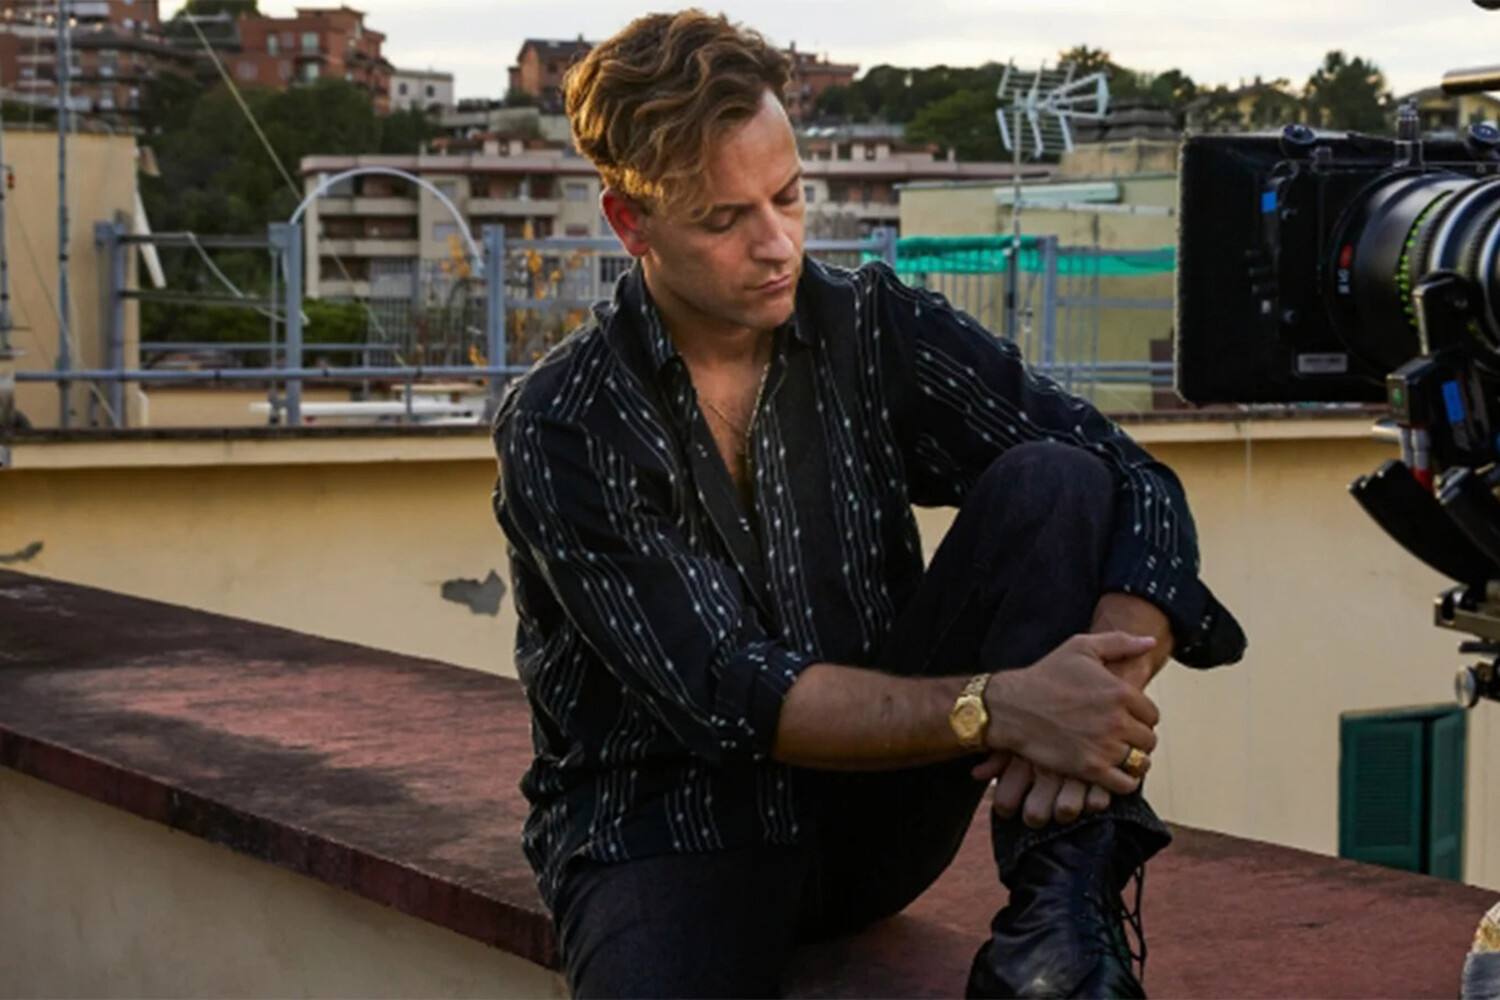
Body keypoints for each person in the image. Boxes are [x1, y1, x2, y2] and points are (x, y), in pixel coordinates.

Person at [491, 10, 1245, 998]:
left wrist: (1093, 700)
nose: (777, 244)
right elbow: (731, 689)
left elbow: (1134, 477)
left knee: (1059, 479)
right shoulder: (566, 422)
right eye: (724, 220)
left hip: (877, 820)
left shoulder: (872, 327)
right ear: (631, 222)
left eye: (788, 196)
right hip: (668, 835)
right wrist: (1005, 704)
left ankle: (1061, 933)